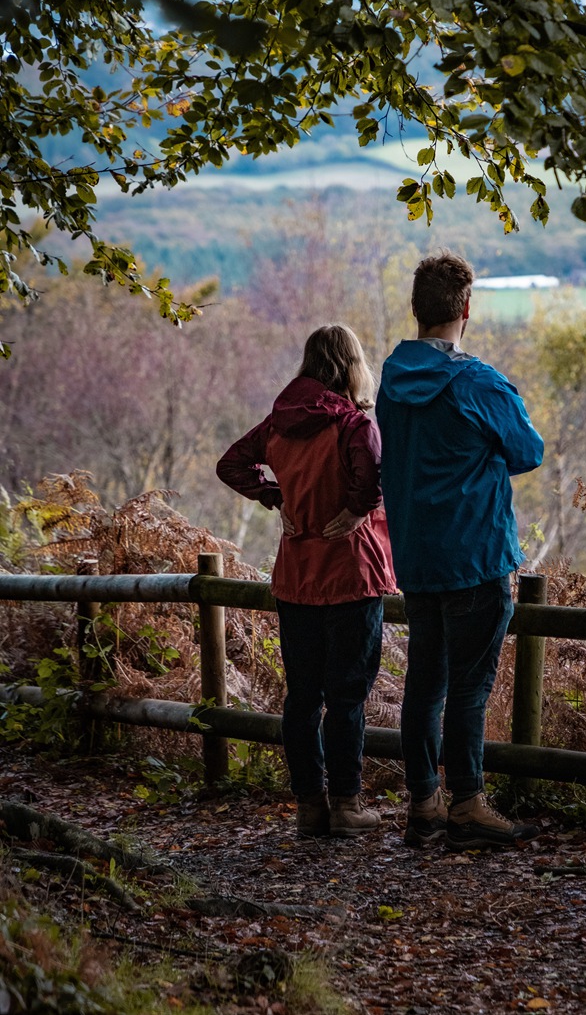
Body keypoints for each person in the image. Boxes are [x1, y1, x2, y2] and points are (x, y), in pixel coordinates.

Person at [375, 252, 544, 851]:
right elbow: (528, 451)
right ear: (466, 308)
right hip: (475, 556)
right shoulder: (477, 382)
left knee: (424, 686)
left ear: (416, 308)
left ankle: (424, 804)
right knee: (469, 690)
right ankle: (468, 805)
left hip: (417, 559)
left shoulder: (391, 381)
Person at [217, 324, 396, 838]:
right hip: (350, 576)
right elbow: (376, 475)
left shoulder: (280, 424)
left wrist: (275, 496)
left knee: (302, 698)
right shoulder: (353, 424)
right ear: (352, 366)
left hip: (296, 577)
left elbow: (231, 464)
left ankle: (309, 807)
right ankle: (346, 805)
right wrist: (357, 510)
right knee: (346, 698)